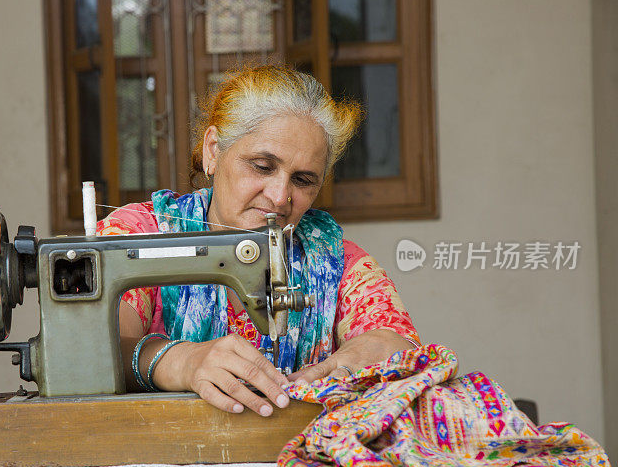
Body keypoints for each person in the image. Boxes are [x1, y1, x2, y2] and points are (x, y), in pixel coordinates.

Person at [98, 65, 421, 417]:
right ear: (213, 151)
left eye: (302, 180)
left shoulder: (337, 263)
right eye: (263, 167)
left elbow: (400, 346)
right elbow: (93, 349)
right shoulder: (136, 235)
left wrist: (367, 356)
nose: (281, 197)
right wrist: (180, 362)